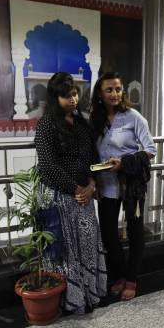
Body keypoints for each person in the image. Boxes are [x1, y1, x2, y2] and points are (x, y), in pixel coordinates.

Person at [34, 72, 107, 314]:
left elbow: (93, 158)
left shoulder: (81, 123)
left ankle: (90, 294)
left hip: (83, 194)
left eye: (75, 94)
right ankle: (71, 300)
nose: (73, 100)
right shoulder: (46, 125)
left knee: (87, 244)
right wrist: (77, 190)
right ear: (55, 98)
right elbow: (47, 166)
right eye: (67, 96)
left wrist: (91, 185)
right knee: (66, 251)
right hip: (59, 197)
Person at [90, 72, 157, 301]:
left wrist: (125, 163)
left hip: (131, 185)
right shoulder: (95, 120)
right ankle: (118, 275)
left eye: (118, 89)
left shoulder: (133, 117)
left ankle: (132, 278)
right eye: (109, 90)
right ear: (100, 93)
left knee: (135, 231)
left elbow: (151, 150)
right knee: (109, 233)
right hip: (106, 185)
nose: (115, 94)